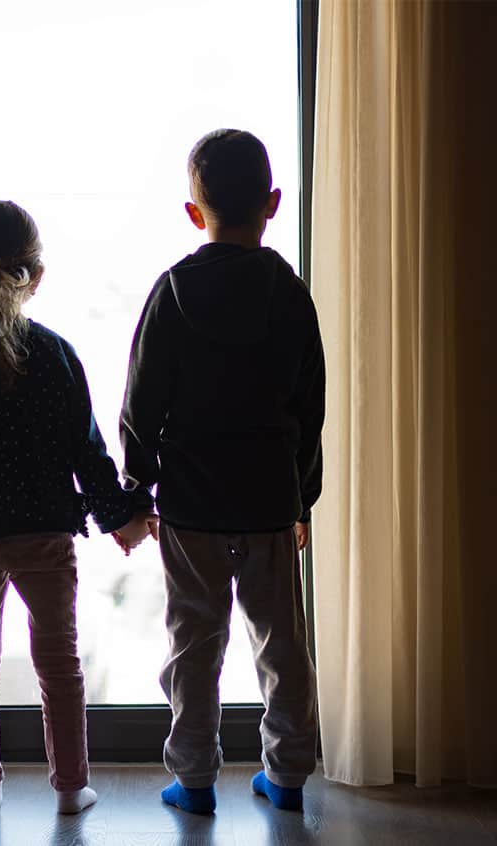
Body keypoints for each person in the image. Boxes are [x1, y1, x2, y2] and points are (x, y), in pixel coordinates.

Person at [0, 200, 156, 818]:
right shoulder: (55, 355)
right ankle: (72, 789)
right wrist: (122, 516)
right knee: (60, 663)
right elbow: (89, 454)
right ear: (36, 275)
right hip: (45, 535)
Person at [120, 129, 325, 814]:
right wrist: (304, 500)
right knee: (281, 645)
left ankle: (195, 779)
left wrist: (137, 488)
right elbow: (309, 407)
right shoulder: (290, 294)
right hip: (268, 498)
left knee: (193, 644)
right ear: (272, 203)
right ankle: (288, 775)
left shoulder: (173, 292)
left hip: (191, 504)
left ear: (192, 211)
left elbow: (140, 404)